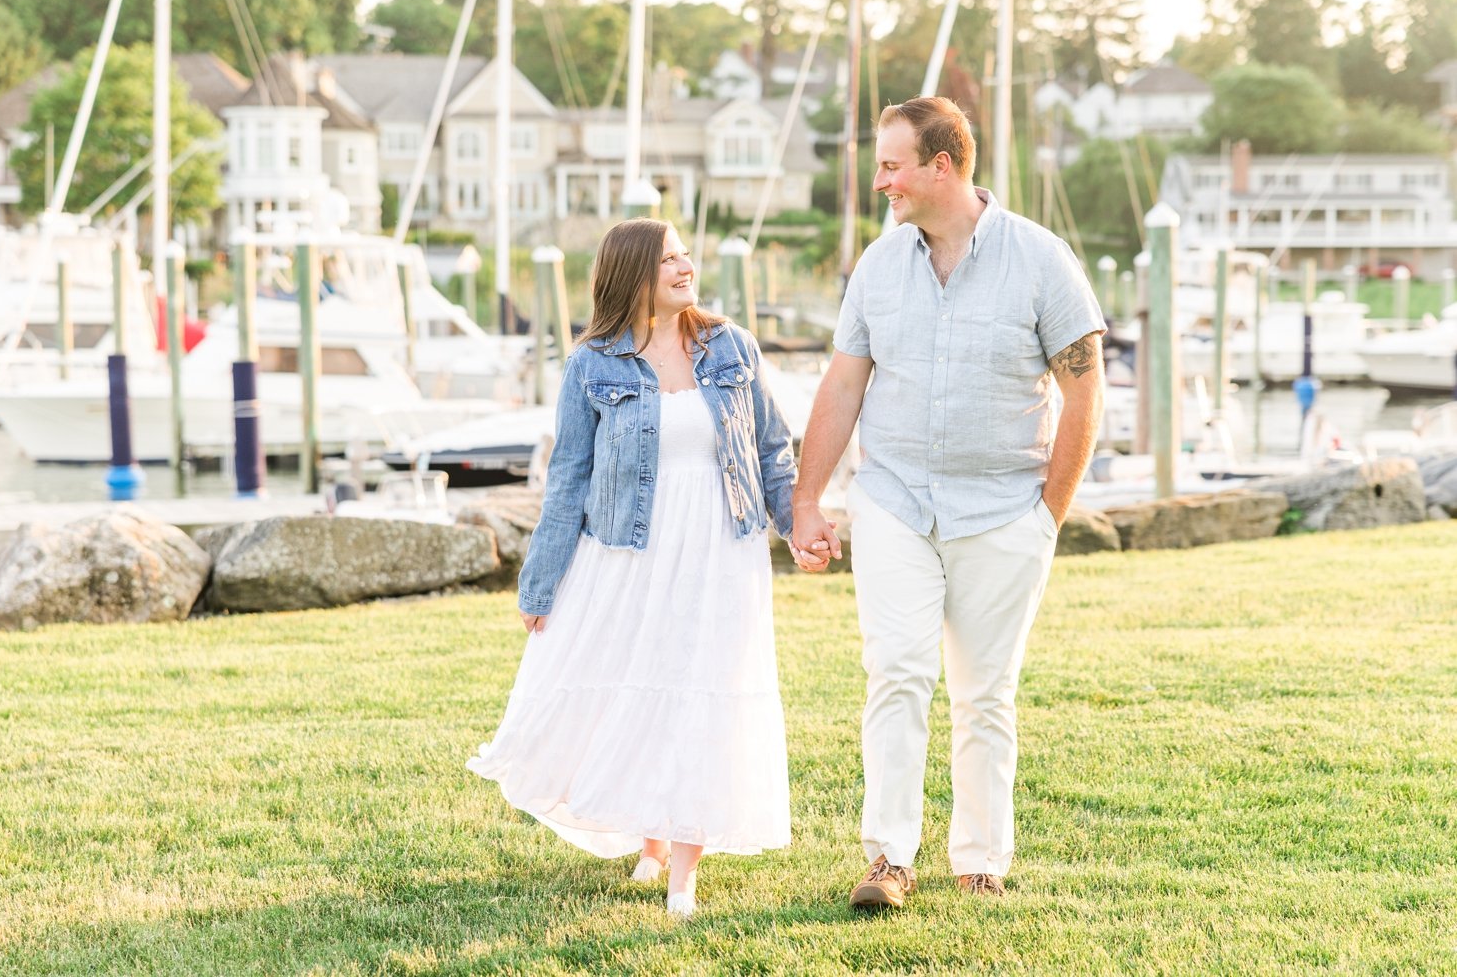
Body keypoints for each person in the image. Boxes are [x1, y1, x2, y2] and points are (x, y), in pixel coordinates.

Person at [791, 96, 1106, 908]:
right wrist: (807, 500)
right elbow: (843, 385)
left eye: (892, 165)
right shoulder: (878, 264)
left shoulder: (1042, 260)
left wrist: (1047, 516)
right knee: (895, 674)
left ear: (943, 165)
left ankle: (979, 864)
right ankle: (889, 859)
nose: (879, 182)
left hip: (1004, 513)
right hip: (894, 502)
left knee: (983, 694)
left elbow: (1084, 392)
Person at [468, 218, 800, 919]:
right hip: (629, 552)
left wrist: (800, 525)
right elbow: (568, 480)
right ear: (633, 275)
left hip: (721, 549)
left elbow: (774, 451)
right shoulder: (594, 364)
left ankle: (684, 866)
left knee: (702, 688)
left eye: (685, 254)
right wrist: (541, 582)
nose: (685, 266)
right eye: (668, 259)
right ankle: (652, 842)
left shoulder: (731, 347)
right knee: (645, 688)